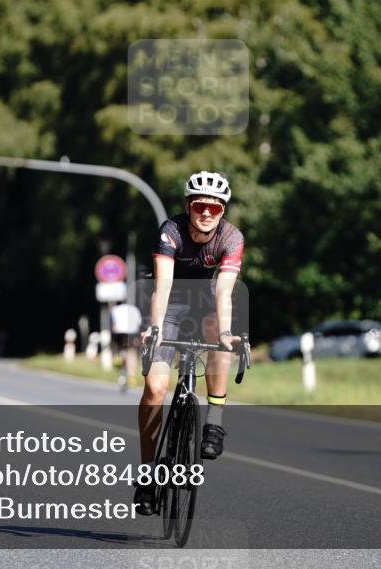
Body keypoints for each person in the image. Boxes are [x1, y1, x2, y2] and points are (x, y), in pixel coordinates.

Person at [134, 171, 244, 515]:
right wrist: (154, 328)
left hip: (205, 303)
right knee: (155, 388)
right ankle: (148, 474)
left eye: (215, 207)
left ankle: (214, 421)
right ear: (188, 207)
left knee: (219, 334)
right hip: (167, 306)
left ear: (223, 210)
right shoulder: (171, 231)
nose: (207, 213)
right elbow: (163, 286)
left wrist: (225, 334)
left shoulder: (231, 237)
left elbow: (224, 291)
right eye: (200, 206)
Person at [111, 299, 142, 389]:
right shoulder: (134, 309)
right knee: (132, 353)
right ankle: (131, 376)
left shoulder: (114, 309)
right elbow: (138, 323)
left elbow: (113, 325)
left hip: (120, 333)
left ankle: (119, 361)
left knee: (119, 349)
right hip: (132, 333)